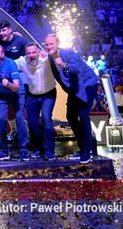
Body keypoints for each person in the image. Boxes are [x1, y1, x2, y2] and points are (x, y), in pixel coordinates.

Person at [45, 34, 98, 164]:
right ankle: (85, 146)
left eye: (51, 44)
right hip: (75, 88)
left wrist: (64, 65)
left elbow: (75, 69)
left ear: (57, 44)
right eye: (47, 44)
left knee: (83, 115)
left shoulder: (68, 54)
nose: (49, 46)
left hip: (87, 84)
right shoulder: (50, 58)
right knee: (71, 116)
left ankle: (87, 151)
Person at [0, 44, 28, 161]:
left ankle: (24, 150)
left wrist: (8, 84)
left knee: (19, 117)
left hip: (17, 93)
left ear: (2, 54)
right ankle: (3, 150)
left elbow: (17, 87)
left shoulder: (10, 64)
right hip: (2, 94)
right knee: (2, 119)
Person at [15, 43, 56, 160]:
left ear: (38, 52)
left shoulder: (46, 59)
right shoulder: (22, 61)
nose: (31, 55)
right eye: (29, 53)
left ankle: (49, 151)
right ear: (25, 54)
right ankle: (39, 149)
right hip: (32, 95)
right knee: (32, 124)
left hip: (48, 93)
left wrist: (49, 54)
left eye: (34, 52)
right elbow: (9, 64)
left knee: (47, 119)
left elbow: (58, 56)